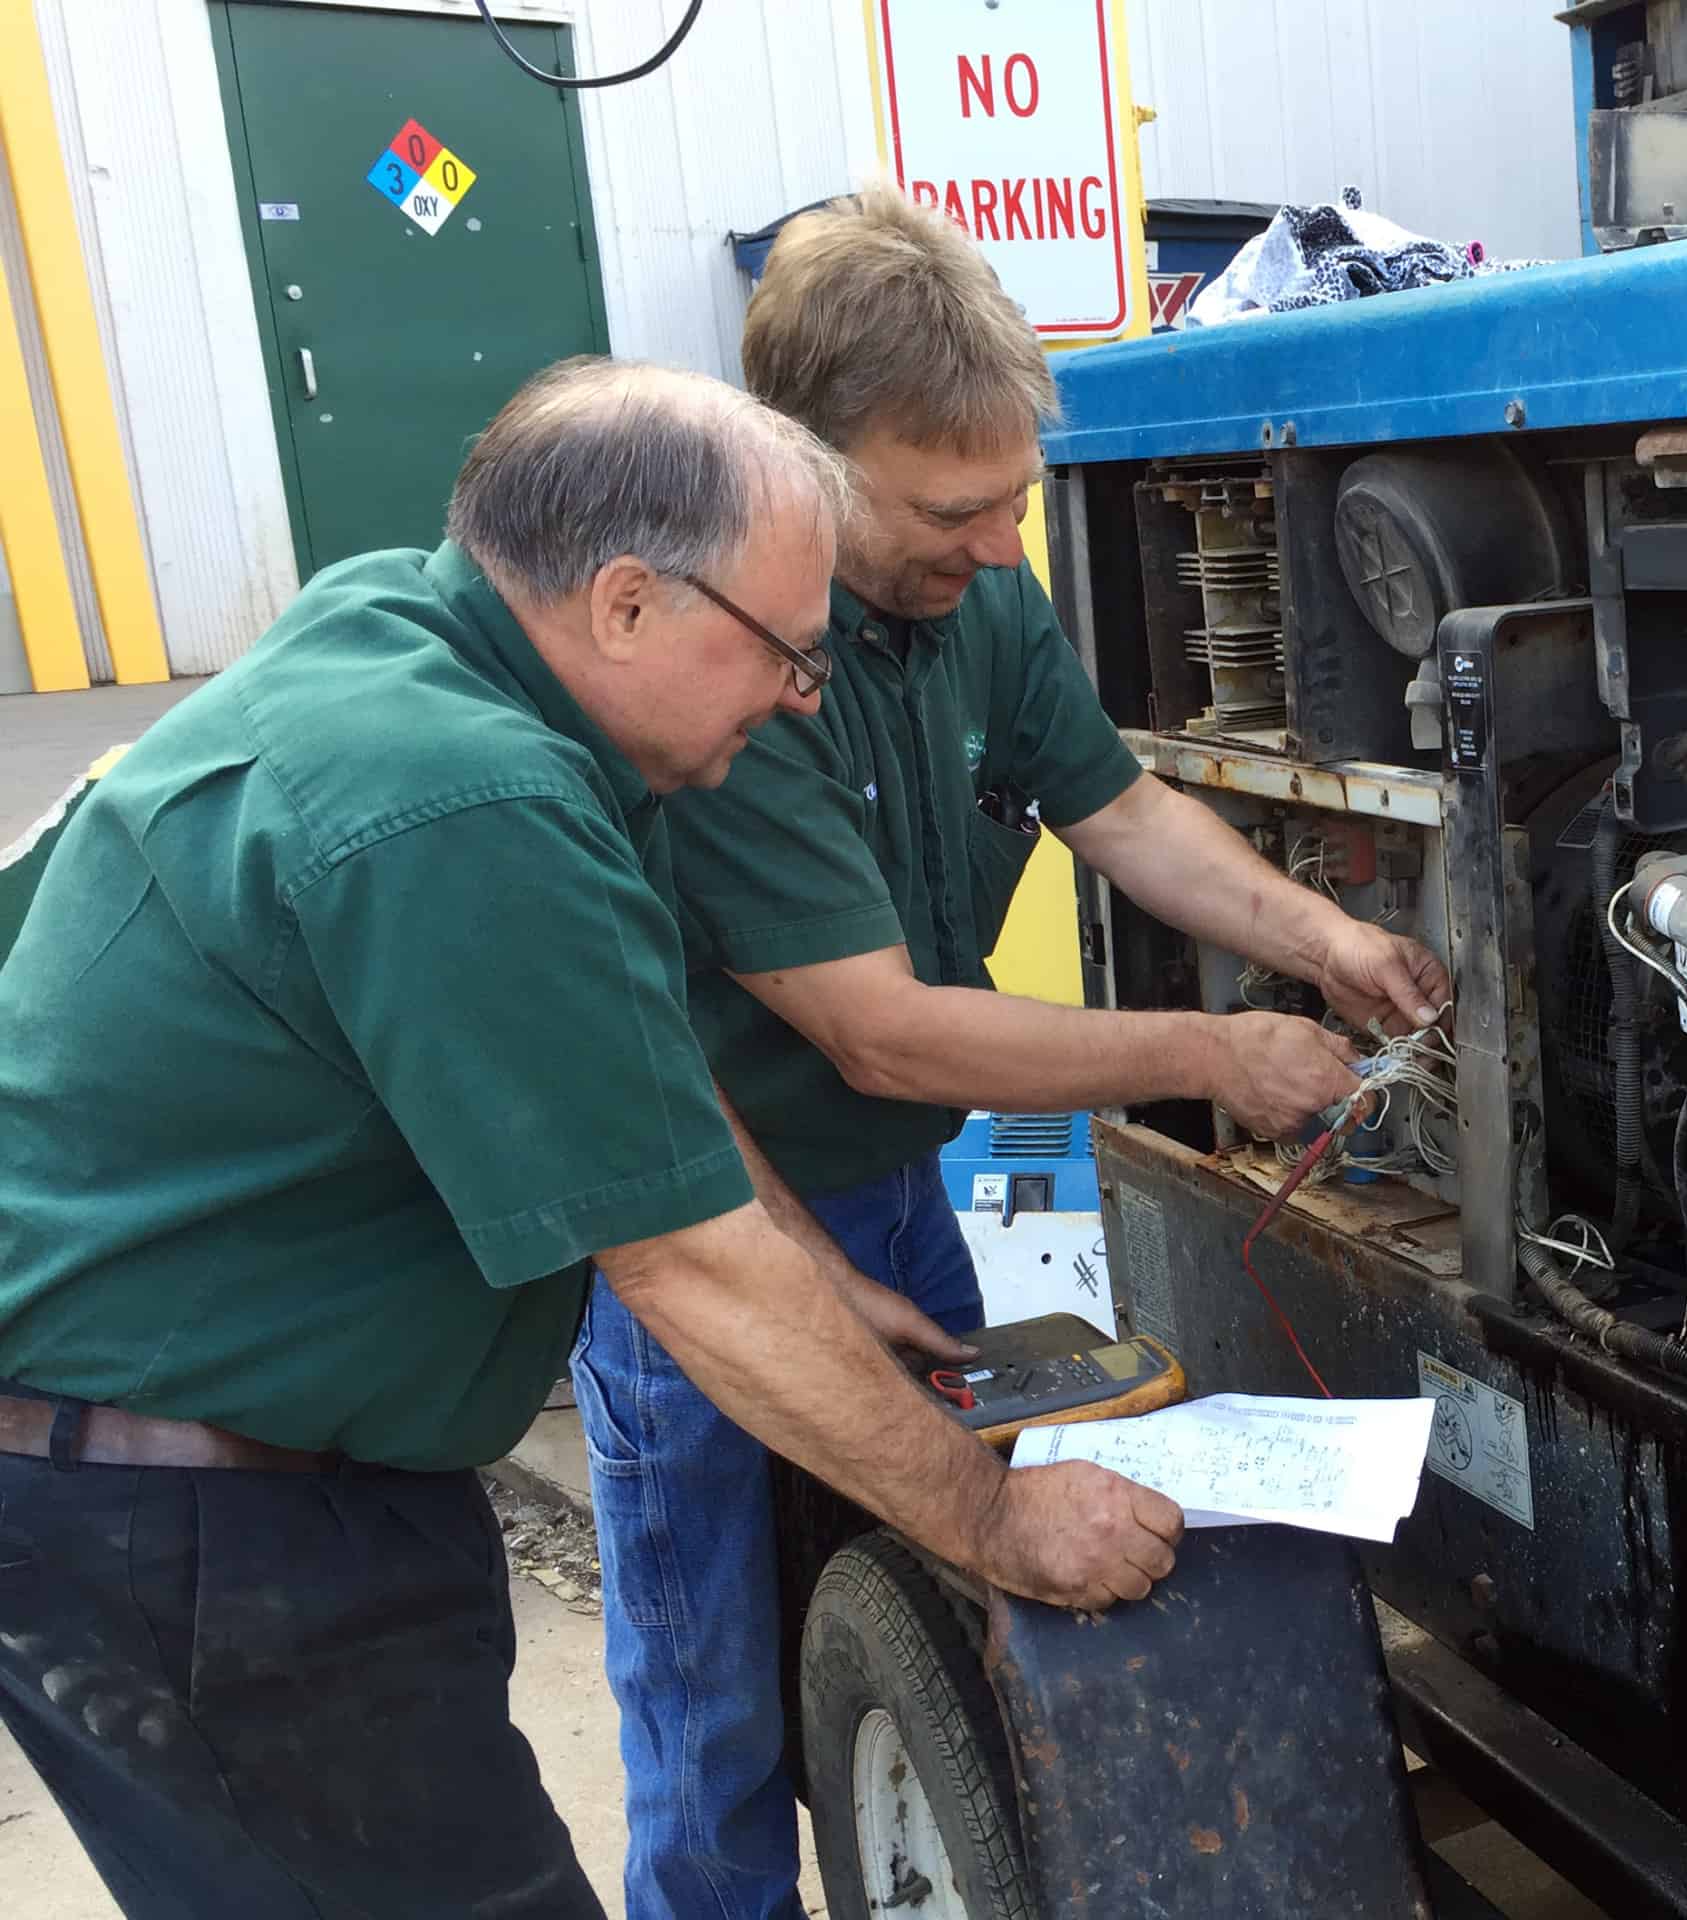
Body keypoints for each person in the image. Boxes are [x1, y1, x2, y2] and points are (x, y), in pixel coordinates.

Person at [0, 358, 1182, 1920]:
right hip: (189, 1518)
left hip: (248, 1474)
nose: (797, 699)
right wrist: (1000, 1523)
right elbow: (677, 1264)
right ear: (625, 604)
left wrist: (820, 1281)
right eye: (788, 655)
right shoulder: (461, 800)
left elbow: (629, 1071)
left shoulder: (423, 642)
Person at [572, 190, 1456, 1919]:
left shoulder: (982, 599)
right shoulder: (736, 674)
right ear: (796, 467)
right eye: (950, 507)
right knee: (712, 1688)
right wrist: (1213, 1041)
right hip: (714, 1237)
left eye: (1013, 500)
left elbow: (1116, 806)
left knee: (950, 1592)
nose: (997, 544)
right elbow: (883, 1031)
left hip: (894, 1206)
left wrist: (1328, 941)